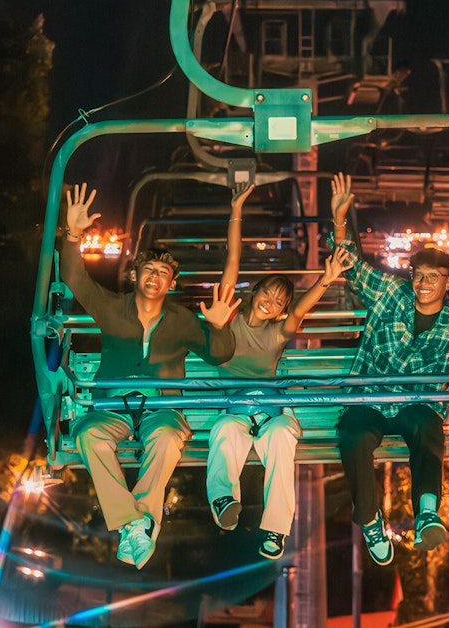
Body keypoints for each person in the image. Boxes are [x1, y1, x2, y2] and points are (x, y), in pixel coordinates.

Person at [328, 172, 449, 565]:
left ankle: (427, 511)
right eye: (420, 275)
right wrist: (340, 220)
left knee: (427, 426)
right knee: (353, 432)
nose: (424, 282)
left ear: (448, 283)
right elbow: (352, 265)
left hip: (415, 404)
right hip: (370, 397)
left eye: (434, 277)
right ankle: (369, 518)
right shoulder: (391, 294)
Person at [62, 182, 240, 570]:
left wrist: (220, 327)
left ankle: (134, 525)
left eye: (163, 273)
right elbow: (76, 279)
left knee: (164, 440)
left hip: (162, 407)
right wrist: (73, 233)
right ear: (135, 274)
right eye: (149, 269)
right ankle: (136, 522)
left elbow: (219, 354)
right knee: (87, 434)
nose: (155, 277)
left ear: (171, 283)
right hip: (113, 406)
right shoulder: (112, 308)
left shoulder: (181, 320)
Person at [205, 183, 353, 559]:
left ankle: (274, 530)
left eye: (280, 302)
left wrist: (326, 278)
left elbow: (301, 311)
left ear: (281, 311)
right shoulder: (228, 316)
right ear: (254, 292)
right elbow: (233, 261)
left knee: (283, 438)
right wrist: (236, 208)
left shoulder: (277, 333)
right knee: (223, 431)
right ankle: (224, 500)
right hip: (235, 410)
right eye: (268, 294)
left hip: (273, 411)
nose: (272, 303)